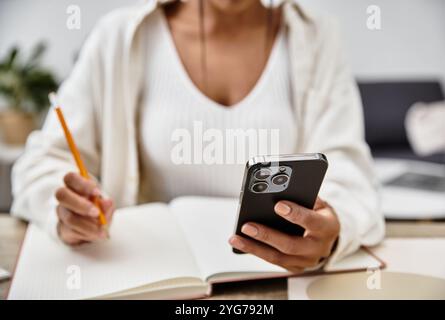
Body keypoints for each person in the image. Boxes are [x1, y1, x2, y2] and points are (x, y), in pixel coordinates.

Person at [11, 0, 384, 272]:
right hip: (150, 278)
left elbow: (350, 174)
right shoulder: (119, 37)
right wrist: (66, 206)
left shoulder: (316, 36)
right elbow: (42, 163)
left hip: (281, 281)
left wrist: (333, 230)